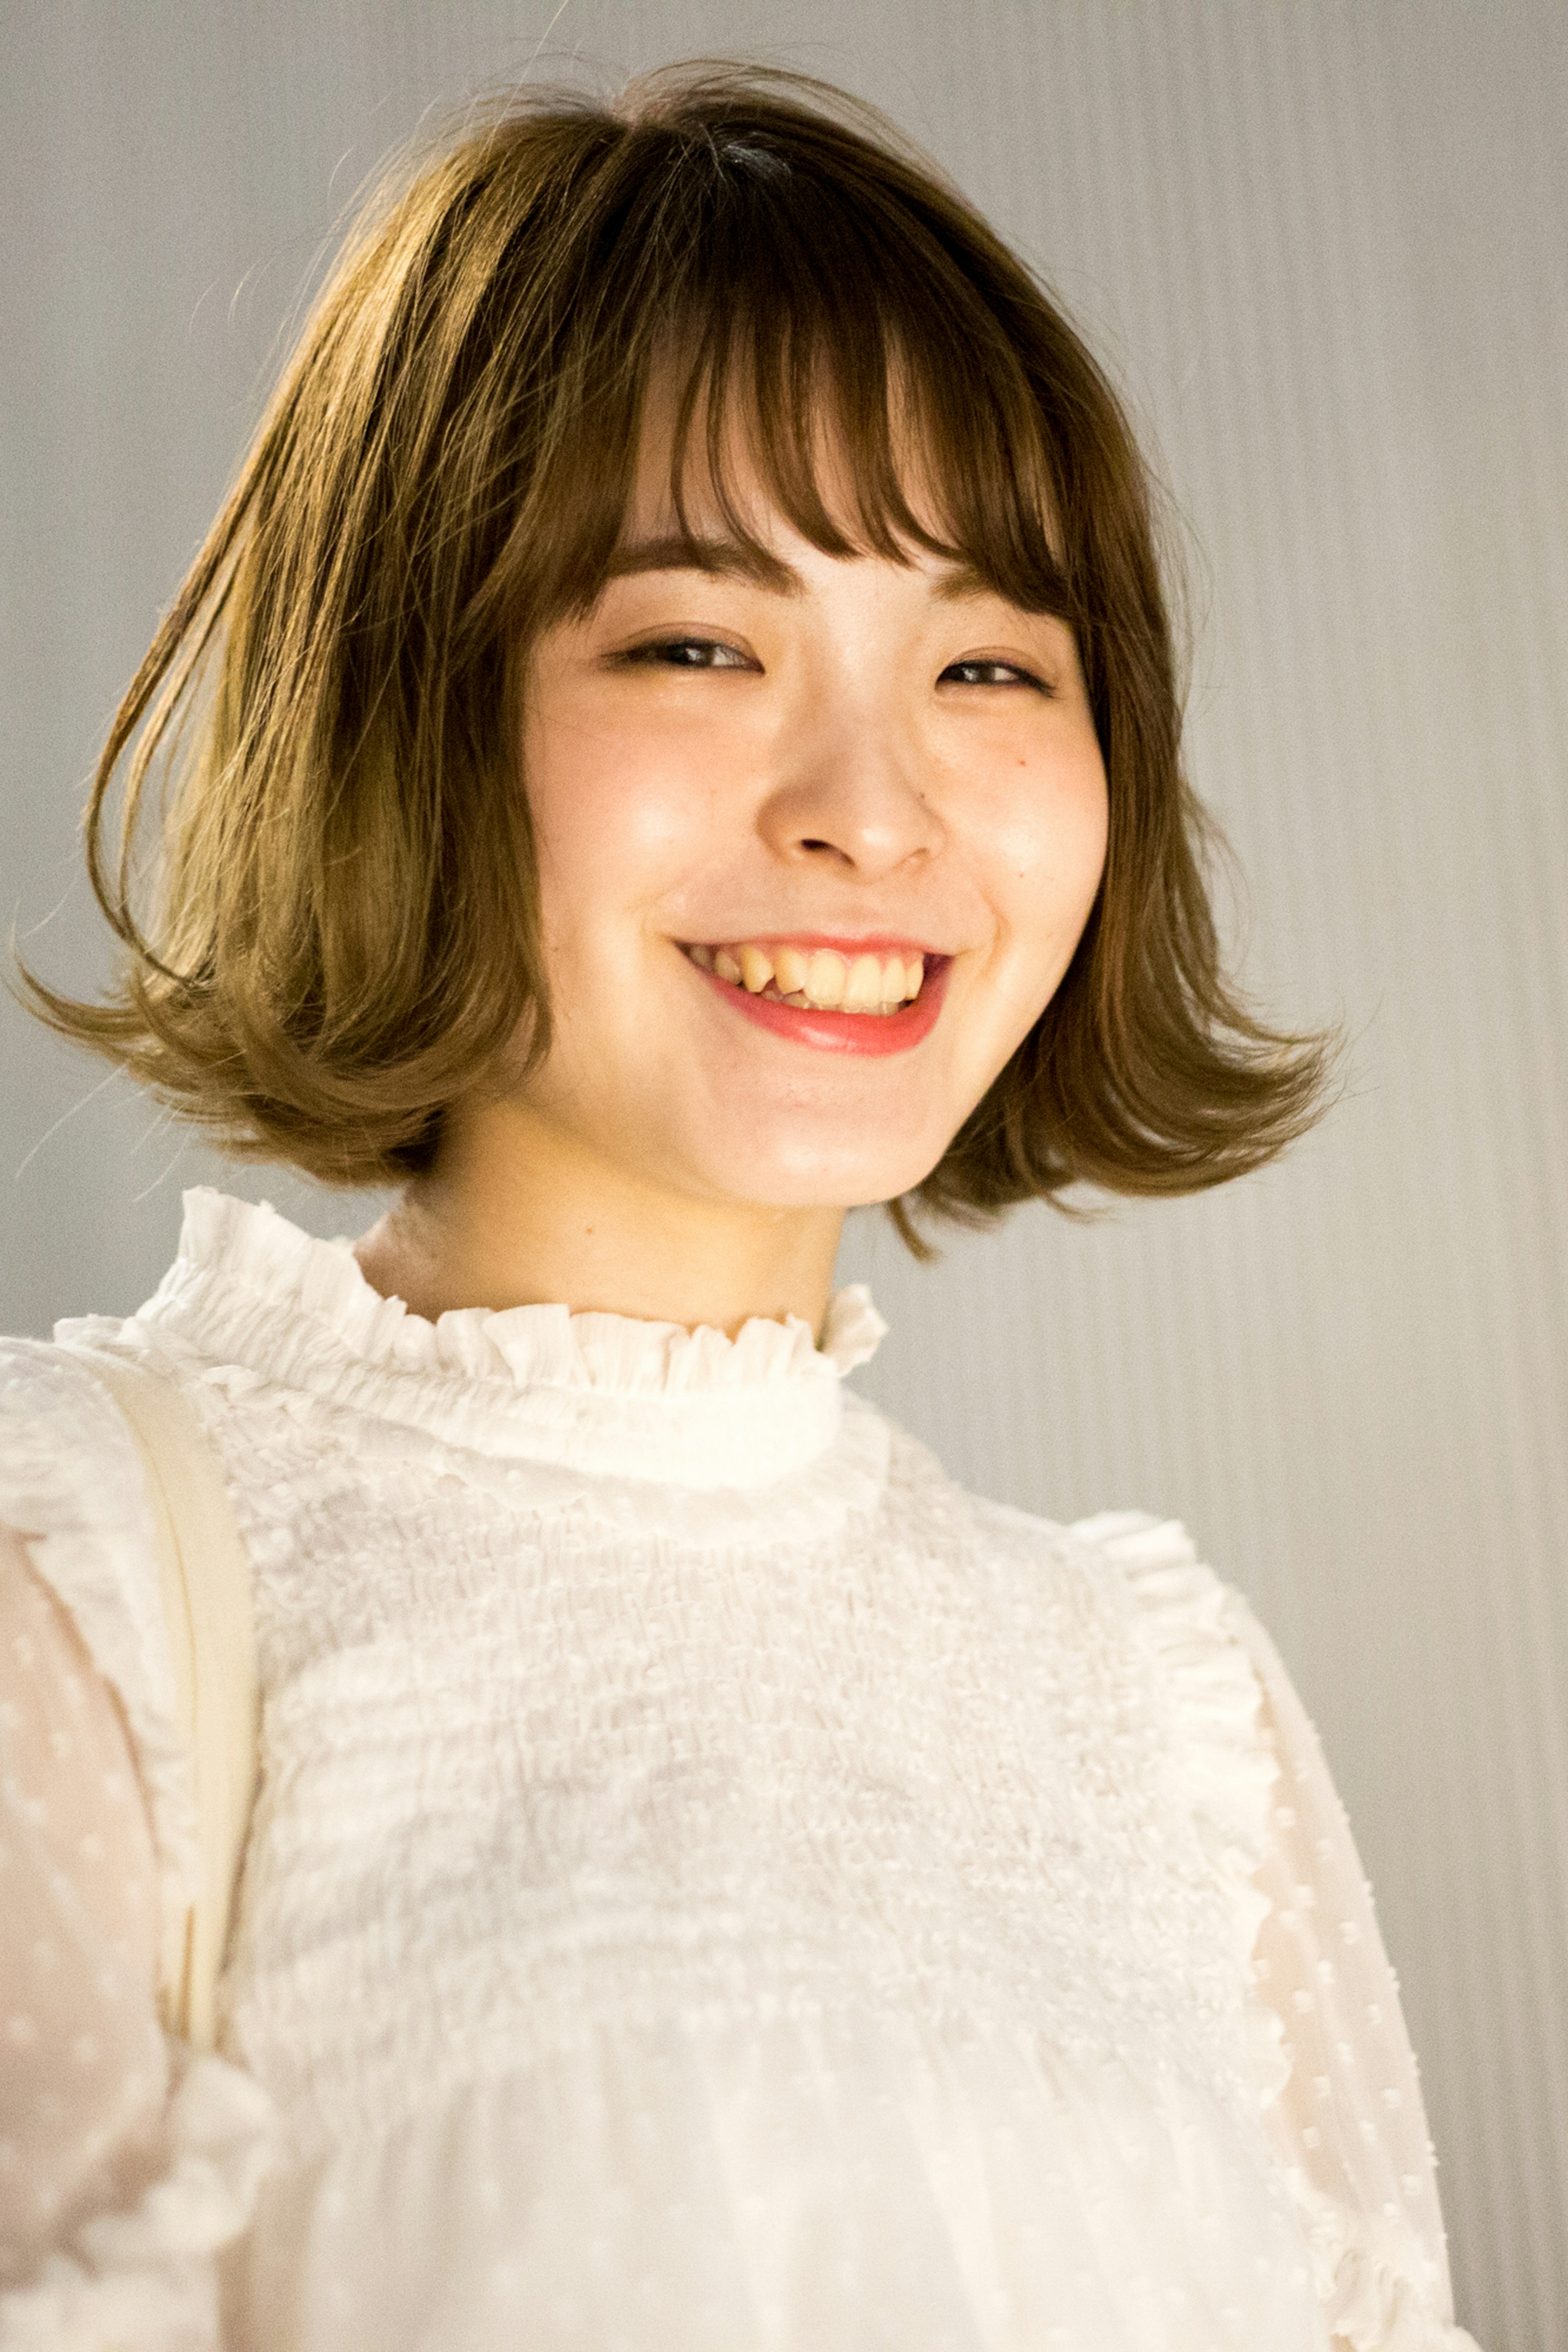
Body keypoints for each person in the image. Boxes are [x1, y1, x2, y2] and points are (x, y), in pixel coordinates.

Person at [0, 62, 1479, 2352]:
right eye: (699, 643)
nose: (873, 813)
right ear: (406, 704)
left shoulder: (1179, 1717)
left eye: (991, 666)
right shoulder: (66, 1582)